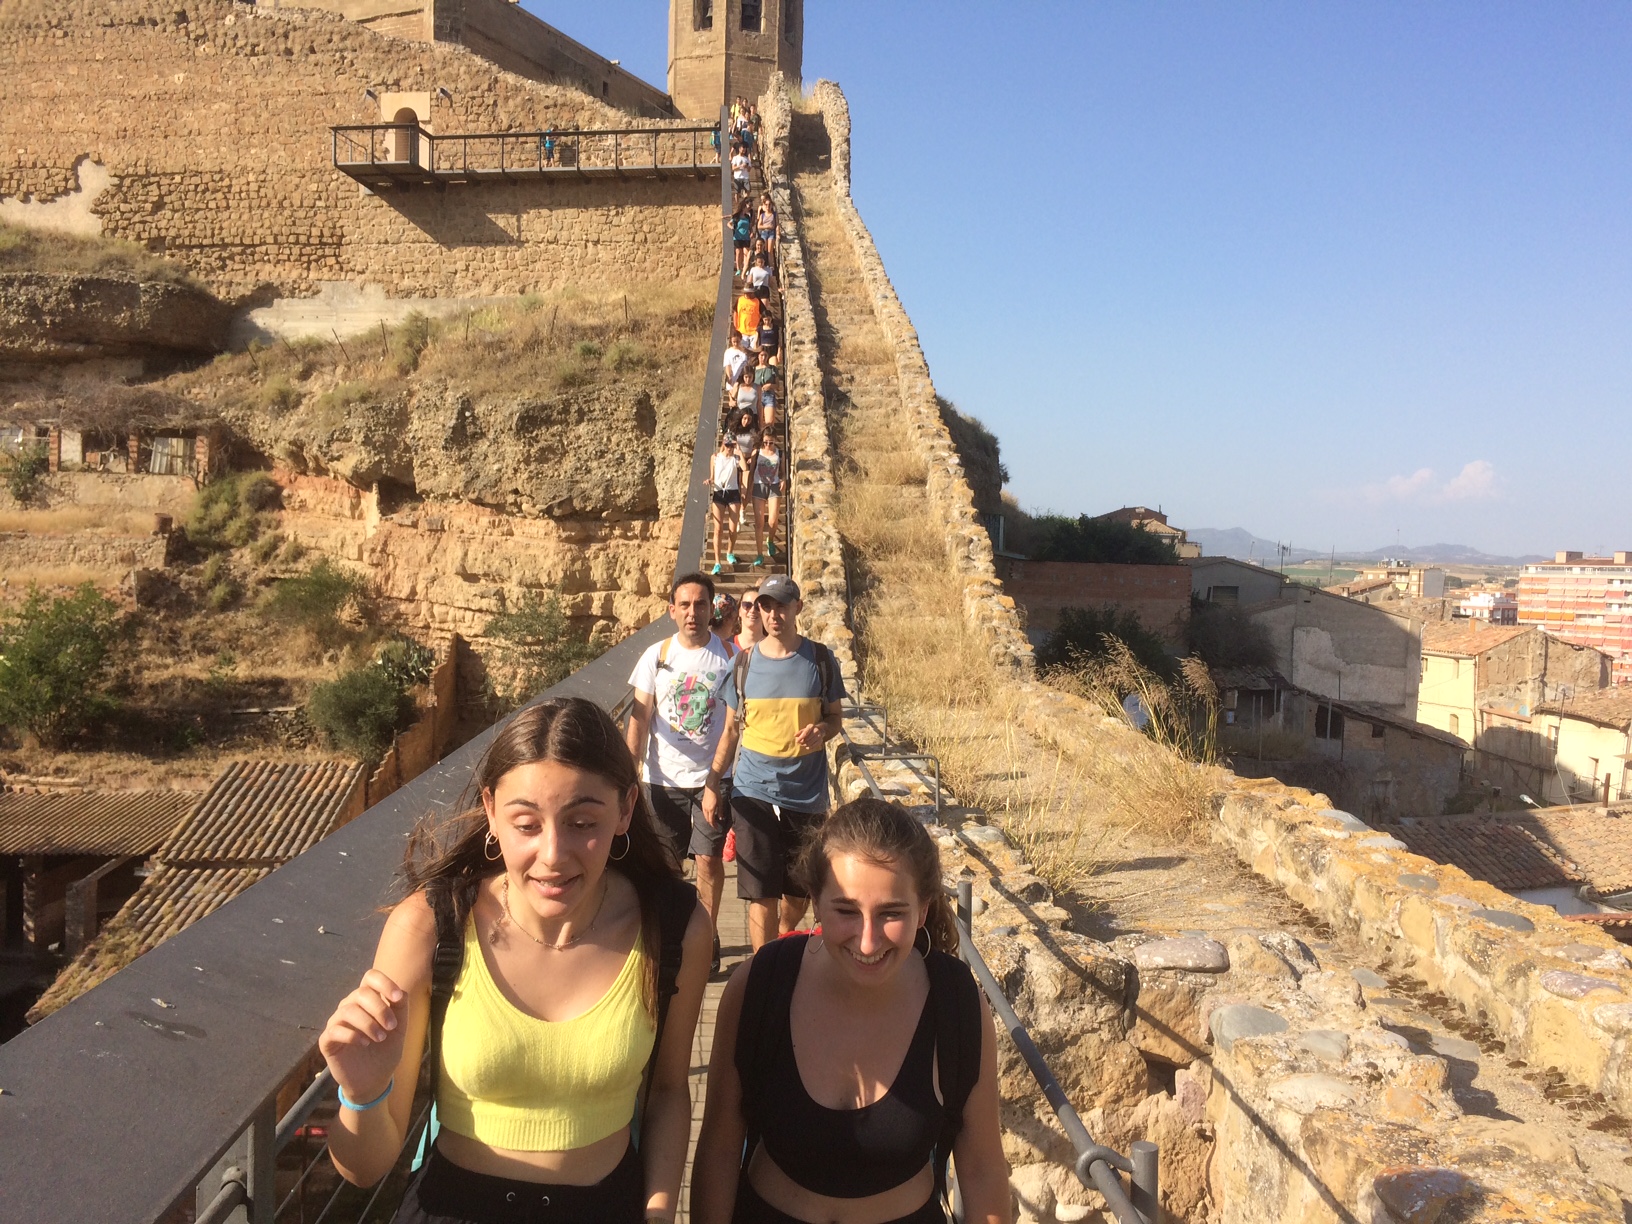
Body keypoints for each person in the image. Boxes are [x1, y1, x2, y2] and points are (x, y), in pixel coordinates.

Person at [319, 699, 712, 1224]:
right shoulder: (430, 927)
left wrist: (659, 1211)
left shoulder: (674, 928)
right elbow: (364, 1170)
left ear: (625, 810)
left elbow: (667, 1091)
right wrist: (363, 1094)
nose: (553, 854)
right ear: (491, 811)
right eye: (526, 824)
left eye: (582, 822)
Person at [690, 797, 1011, 1224]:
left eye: (891, 913)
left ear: (923, 910)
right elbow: (719, 1148)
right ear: (814, 901)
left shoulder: (955, 1003)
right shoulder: (760, 984)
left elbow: (984, 1169)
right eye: (846, 911)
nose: (867, 941)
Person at [702, 575, 845, 951]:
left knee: (799, 889)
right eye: (766, 606)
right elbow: (730, 730)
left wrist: (822, 731)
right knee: (760, 890)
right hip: (753, 789)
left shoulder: (820, 659)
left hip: (806, 792)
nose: (773, 614)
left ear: (798, 608)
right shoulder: (743, 664)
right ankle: (763, 967)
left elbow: (835, 718)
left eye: (782, 605)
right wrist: (712, 784)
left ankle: (781, 938)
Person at [627, 574, 735, 976]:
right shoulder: (655, 656)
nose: (693, 612)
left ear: (711, 609)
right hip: (662, 780)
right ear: (672, 610)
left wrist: (714, 782)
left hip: (712, 779)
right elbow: (639, 718)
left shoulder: (729, 658)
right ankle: (673, 933)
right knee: (667, 865)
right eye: (685, 605)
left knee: (707, 861)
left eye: (700, 604)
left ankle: (705, 935)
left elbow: (733, 726)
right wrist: (629, 773)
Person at [707, 436, 744, 575]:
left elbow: (745, 468)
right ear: (723, 444)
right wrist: (709, 480)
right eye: (727, 445)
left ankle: (730, 552)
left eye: (731, 445)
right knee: (718, 529)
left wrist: (739, 450)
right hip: (719, 492)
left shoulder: (736, 458)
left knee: (733, 529)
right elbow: (712, 476)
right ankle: (717, 562)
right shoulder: (715, 457)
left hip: (733, 493)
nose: (729, 448)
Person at [750, 433, 784, 566]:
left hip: (774, 485)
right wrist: (748, 490)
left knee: (773, 520)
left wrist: (784, 479)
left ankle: (770, 540)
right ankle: (759, 554)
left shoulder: (779, 453)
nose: (768, 445)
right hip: (759, 486)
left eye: (771, 442)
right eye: (765, 442)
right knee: (759, 522)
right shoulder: (757, 452)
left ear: (775, 441)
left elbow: (783, 471)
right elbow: (751, 472)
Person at [731, 199, 754, 279]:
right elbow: (730, 223)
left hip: (746, 237)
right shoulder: (736, 216)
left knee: (746, 253)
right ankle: (738, 269)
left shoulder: (748, 217)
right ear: (743, 207)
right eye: (748, 207)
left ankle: (745, 268)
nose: (749, 208)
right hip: (738, 237)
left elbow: (750, 227)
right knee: (738, 253)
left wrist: (751, 232)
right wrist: (732, 228)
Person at [756, 194, 778, 259]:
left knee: (770, 251)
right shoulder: (761, 209)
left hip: (771, 232)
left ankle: (770, 263)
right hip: (763, 231)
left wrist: (778, 233)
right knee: (764, 250)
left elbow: (777, 224)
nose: (768, 206)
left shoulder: (774, 213)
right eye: (766, 204)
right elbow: (758, 220)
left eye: (763, 199)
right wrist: (767, 226)